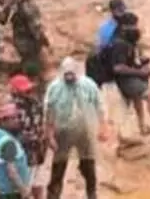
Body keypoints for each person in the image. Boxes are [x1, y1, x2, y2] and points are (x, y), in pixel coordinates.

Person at [42, 59, 107, 199]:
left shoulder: (88, 85)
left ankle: (92, 193)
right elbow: (49, 110)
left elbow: (99, 105)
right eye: (67, 75)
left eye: (72, 75)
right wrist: (49, 134)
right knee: (59, 165)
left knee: (88, 164)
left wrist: (103, 127)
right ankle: (53, 194)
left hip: (85, 130)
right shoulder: (55, 87)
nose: (69, 78)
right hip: (62, 130)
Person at [7, 76, 45, 199]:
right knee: (33, 181)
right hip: (32, 148)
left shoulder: (15, 106)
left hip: (28, 149)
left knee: (30, 182)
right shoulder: (35, 103)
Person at [7, 0, 49, 81]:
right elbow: (34, 25)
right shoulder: (28, 6)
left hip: (19, 37)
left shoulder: (13, 4)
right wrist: (43, 39)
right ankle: (33, 82)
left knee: (27, 61)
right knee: (34, 63)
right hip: (29, 39)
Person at [0, 103, 31, 199]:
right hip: (13, 192)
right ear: (3, 121)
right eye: (13, 119)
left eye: (17, 117)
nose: (17, 121)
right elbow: (12, 172)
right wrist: (24, 191)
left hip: (2, 189)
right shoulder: (8, 143)